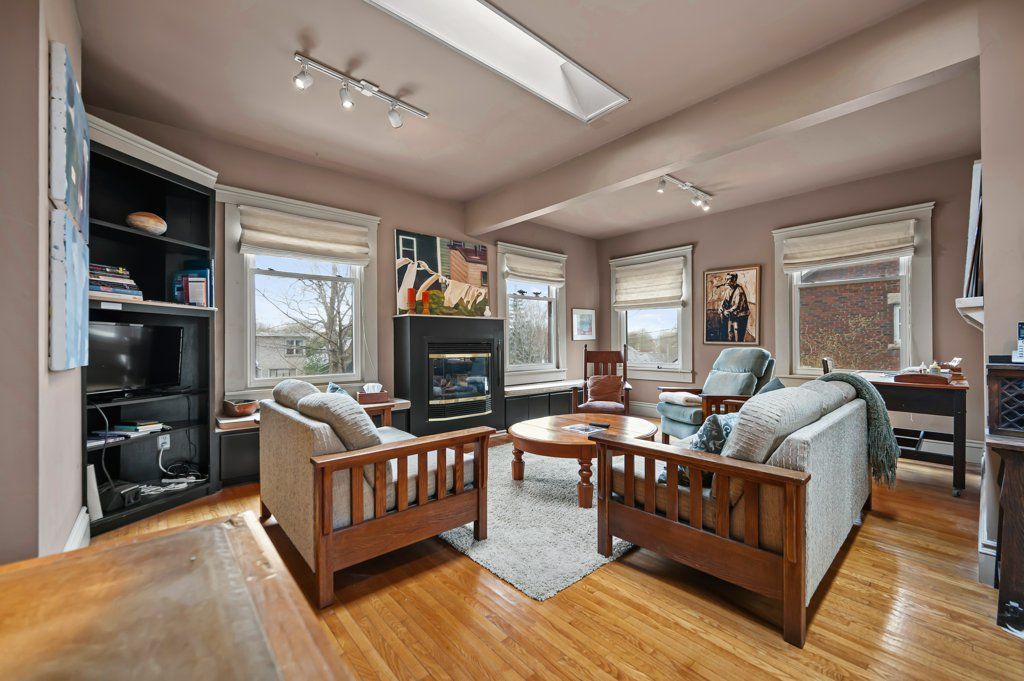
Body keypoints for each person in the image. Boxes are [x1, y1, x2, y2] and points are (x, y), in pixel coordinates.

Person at [718, 273, 750, 342]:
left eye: (728, 279)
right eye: (726, 279)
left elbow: (737, 306)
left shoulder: (739, 291)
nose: (726, 281)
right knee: (730, 333)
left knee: (738, 335)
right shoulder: (728, 290)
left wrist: (727, 311)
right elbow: (724, 300)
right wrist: (721, 307)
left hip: (741, 315)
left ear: (734, 279)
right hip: (733, 314)